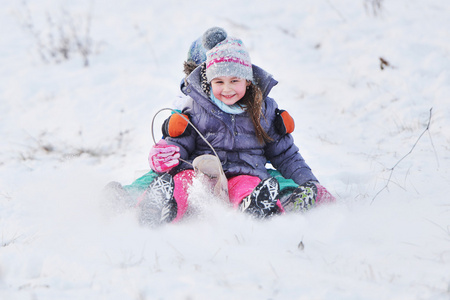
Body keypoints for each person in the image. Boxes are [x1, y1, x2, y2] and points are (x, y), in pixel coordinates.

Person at [138, 27, 335, 227]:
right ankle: (160, 206)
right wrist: (165, 154)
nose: (227, 88)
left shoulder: (263, 110)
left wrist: (310, 182)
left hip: (245, 173)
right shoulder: (193, 106)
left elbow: (286, 154)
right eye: (219, 81)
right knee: (183, 179)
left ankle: (259, 208)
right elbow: (179, 142)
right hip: (204, 175)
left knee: (250, 184)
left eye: (234, 80)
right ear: (207, 80)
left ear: (247, 81)